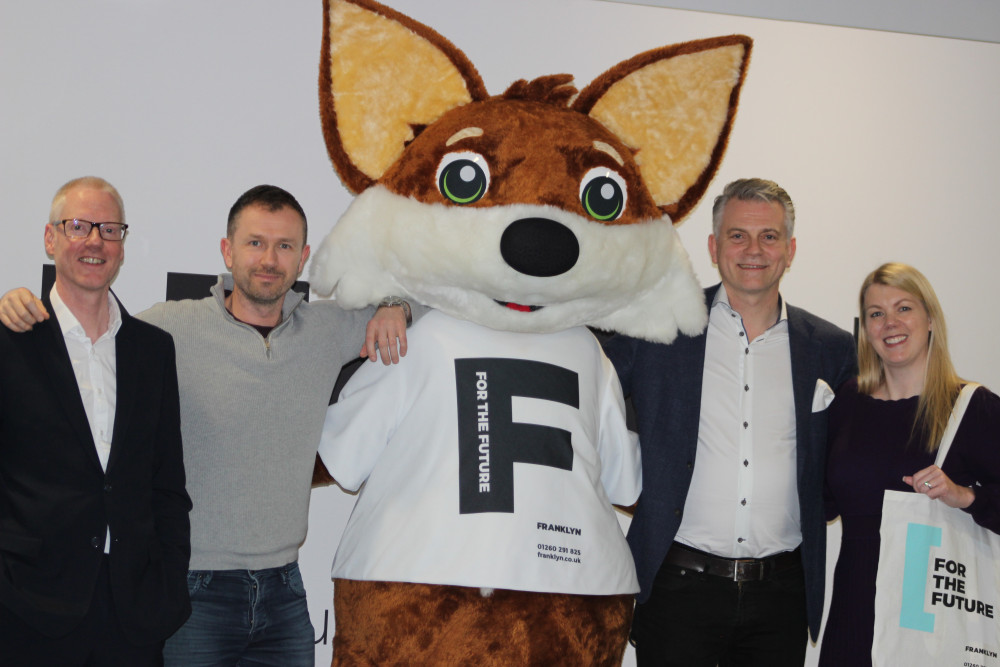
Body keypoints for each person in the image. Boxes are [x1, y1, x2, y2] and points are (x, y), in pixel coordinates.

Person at [0, 184, 418, 667]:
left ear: (303, 258)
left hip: (286, 592)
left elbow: (434, 298)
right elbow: (85, 331)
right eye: (255, 242)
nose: (269, 259)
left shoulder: (327, 330)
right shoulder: (166, 330)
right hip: (196, 593)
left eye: (284, 247)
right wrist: (17, 303)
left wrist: (394, 305)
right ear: (227, 251)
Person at [603, 178, 858, 666]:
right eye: (738, 235)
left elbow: (868, 435)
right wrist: (406, 302)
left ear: (791, 249)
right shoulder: (660, 327)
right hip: (677, 588)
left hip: (781, 597)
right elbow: (581, 371)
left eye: (769, 236)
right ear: (714, 246)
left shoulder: (831, 349)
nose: (754, 250)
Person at [0, 177, 192, 665]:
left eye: (109, 229)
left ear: (122, 246)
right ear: (51, 239)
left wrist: (167, 582)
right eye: (79, 226)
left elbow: (166, 482)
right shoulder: (11, 340)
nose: (94, 241)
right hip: (29, 607)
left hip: (134, 612)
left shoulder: (153, 350)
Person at [820, 262, 1000, 666]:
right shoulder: (848, 403)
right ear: (865, 328)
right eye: (876, 314)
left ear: (930, 318)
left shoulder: (973, 408)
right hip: (854, 611)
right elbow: (820, 502)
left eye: (904, 308)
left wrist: (965, 496)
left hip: (934, 622)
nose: (890, 323)